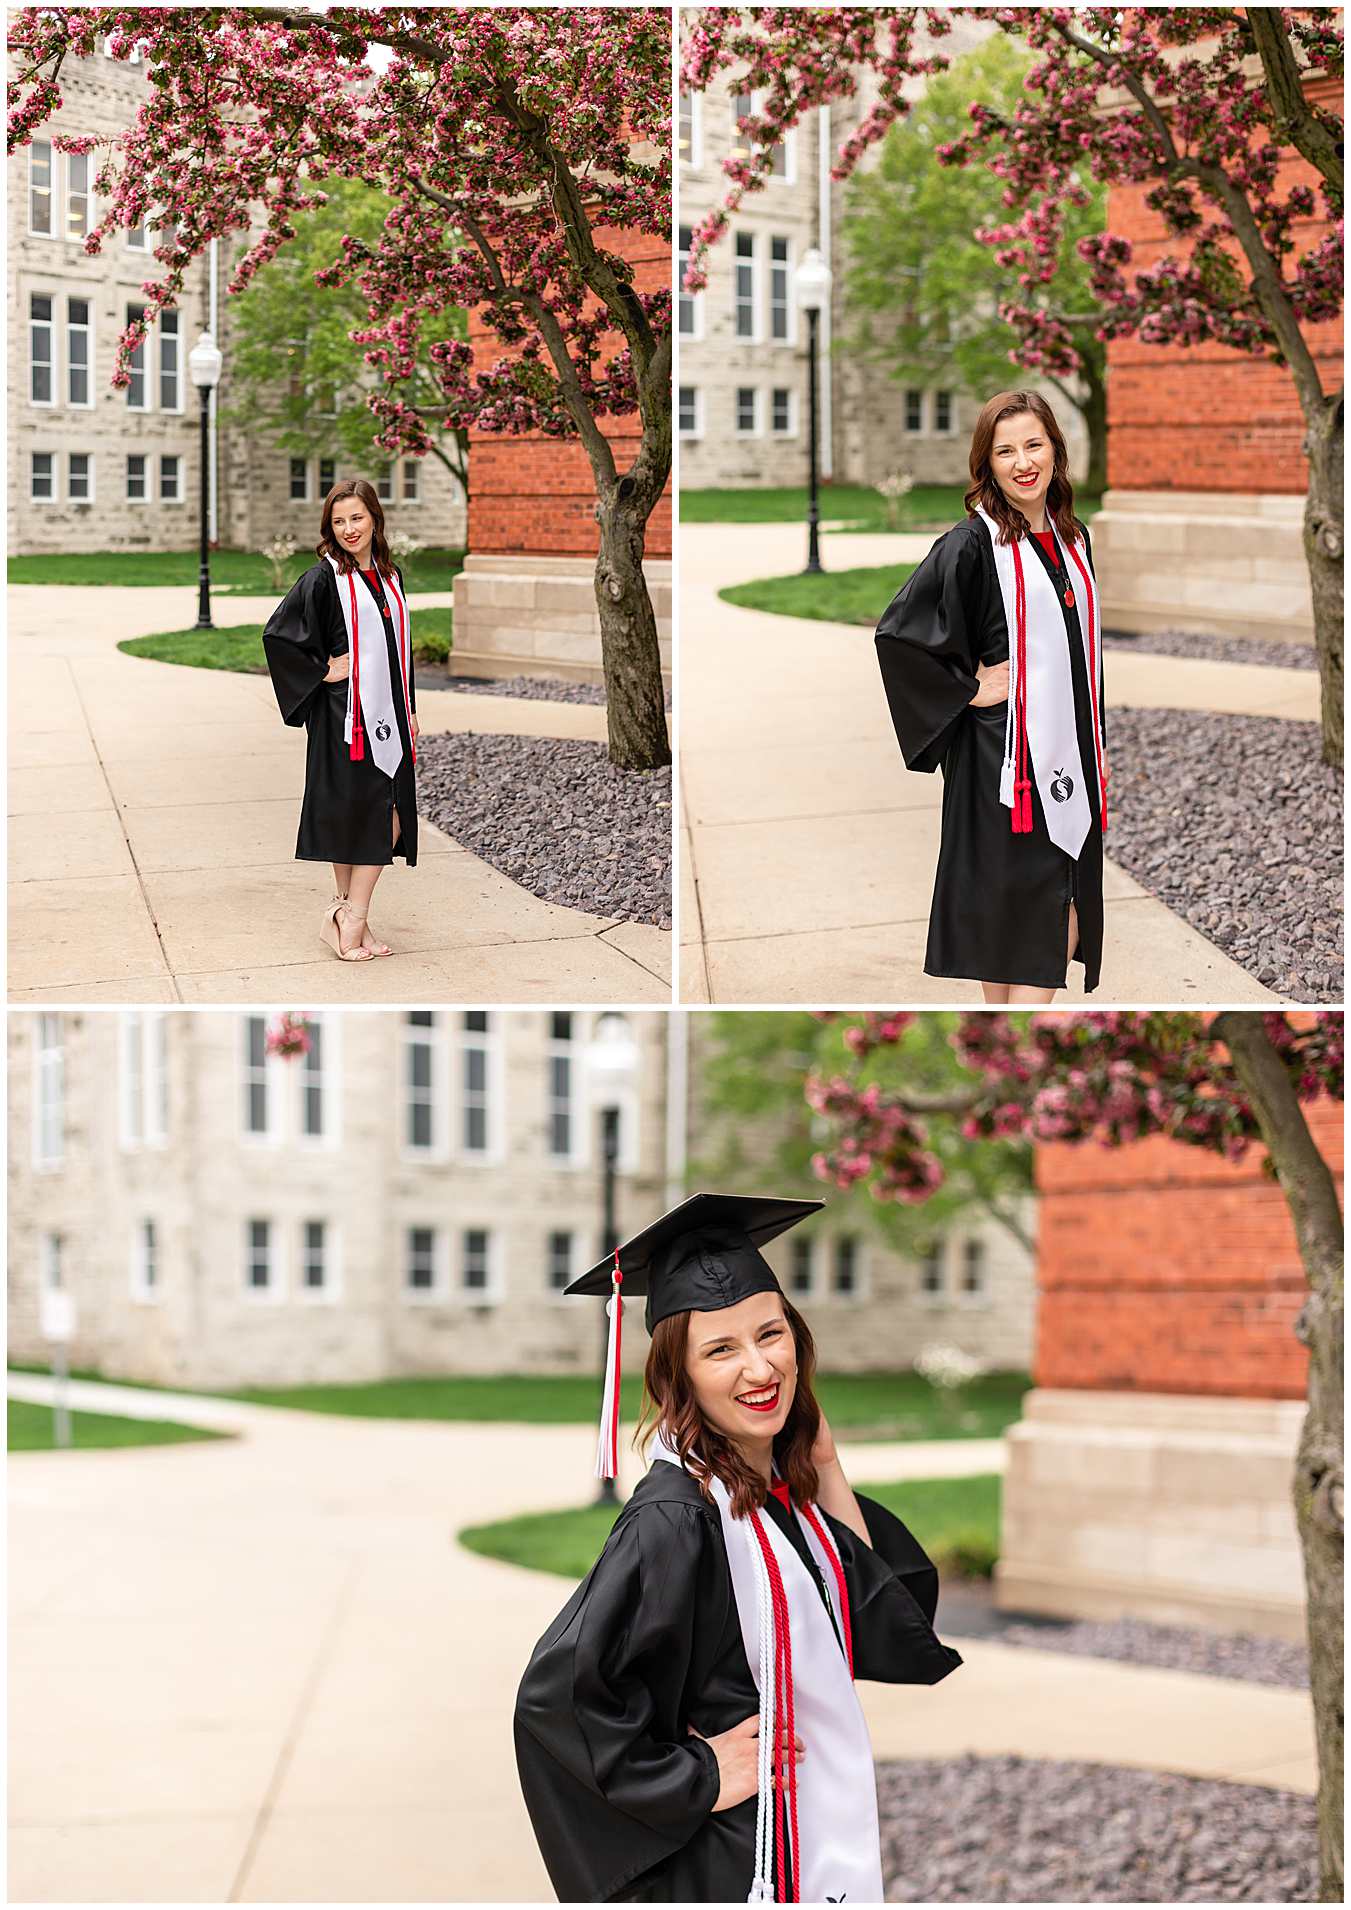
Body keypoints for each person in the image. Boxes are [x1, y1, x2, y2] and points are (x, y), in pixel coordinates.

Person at [514, 1193, 963, 1903]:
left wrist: (827, 1467)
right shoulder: (676, 1519)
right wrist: (698, 1775)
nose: (759, 1368)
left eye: (770, 1334)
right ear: (676, 1376)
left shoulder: (779, 1495)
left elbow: (877, 1617)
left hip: (799, 1824)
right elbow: (557, 1701)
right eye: (720, 1349)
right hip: (733, 1859)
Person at [875, 390, 1110, 1002]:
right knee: (1002, 902)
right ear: (988, 463)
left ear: (1056, 449)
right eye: (1005, 451)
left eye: (1034, 445)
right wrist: (968, 689)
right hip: (999, 758)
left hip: (1067, 744)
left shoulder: (1072, 537)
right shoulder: (973, 545)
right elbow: (899, 634)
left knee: (1062, 891)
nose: (1023, 462)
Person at [262, 477, 419, 961]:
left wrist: (410, 706)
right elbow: (279, 636)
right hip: (344, 716)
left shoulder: (389, 577)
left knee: (386, 812)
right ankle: (353, 918)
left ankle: (346, 916)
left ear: (375, 518)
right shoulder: (324, 578)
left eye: (357, 517)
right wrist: (322, 670)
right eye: (339, 520)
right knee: (357, 814)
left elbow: (397, 651)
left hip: (389, 711)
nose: (349, 529)